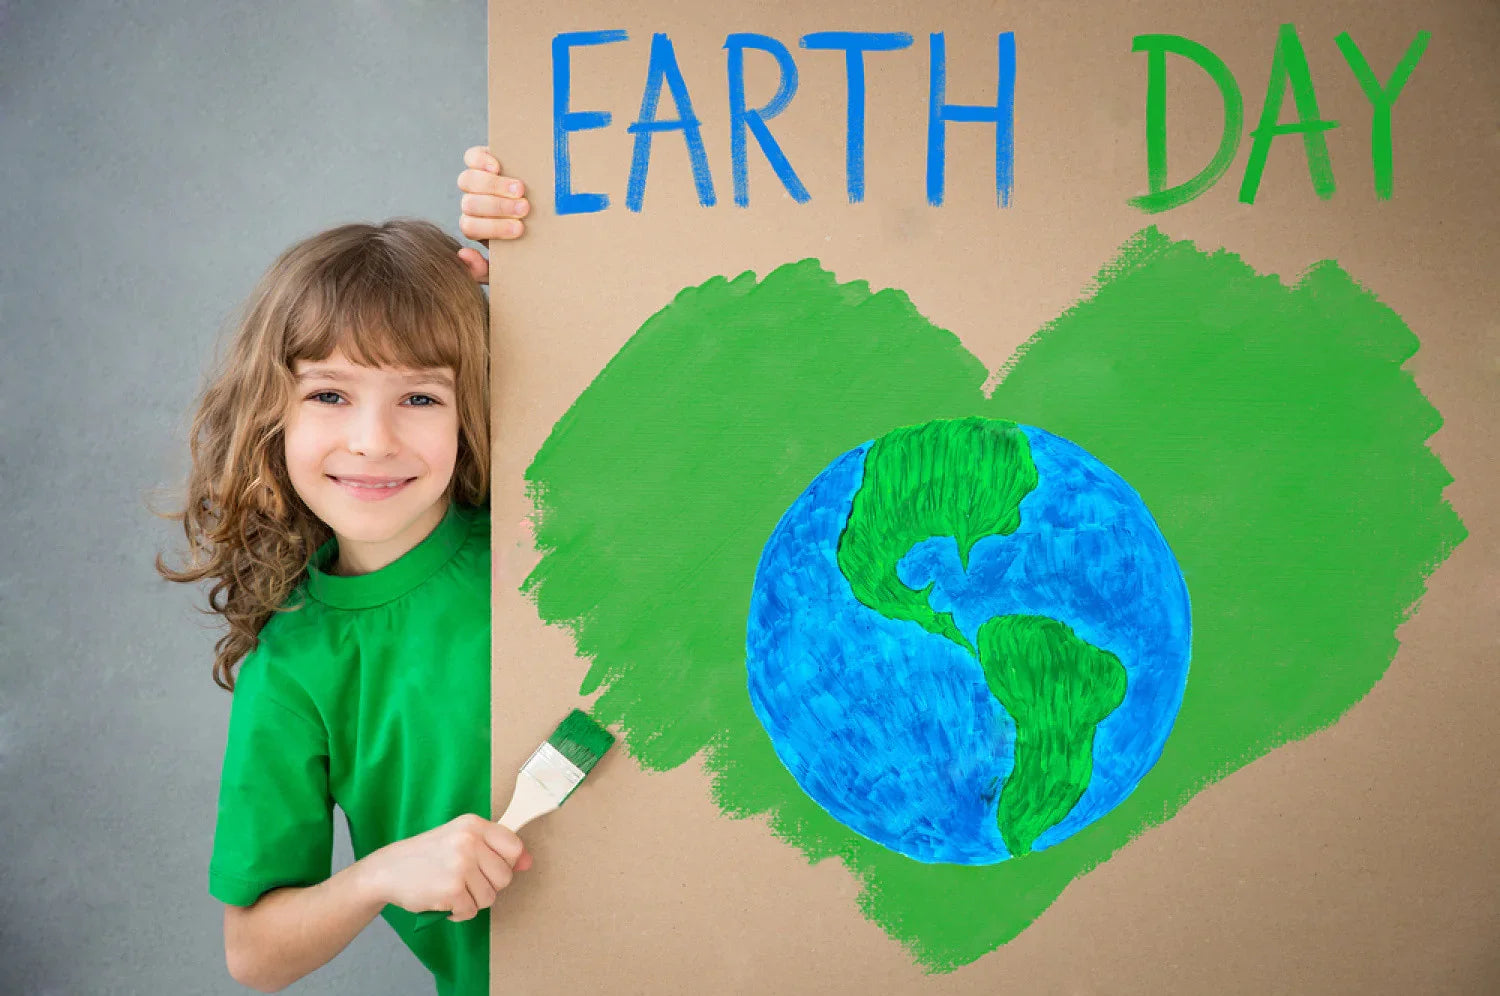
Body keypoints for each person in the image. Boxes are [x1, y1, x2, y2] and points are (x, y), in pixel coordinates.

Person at [156, 180, 530, 995]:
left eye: (420, 397)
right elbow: (254, 953)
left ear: (472, 408)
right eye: (330, 394)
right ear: (272, 413)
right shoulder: (293, 668)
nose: (372, 440)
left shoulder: (546, 539)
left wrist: (544, 269)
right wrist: (380, 875)